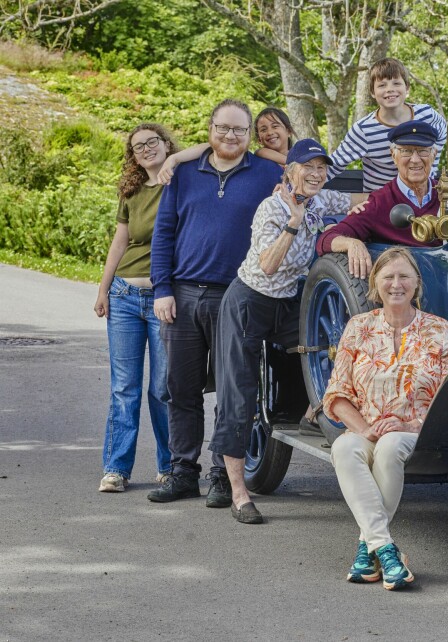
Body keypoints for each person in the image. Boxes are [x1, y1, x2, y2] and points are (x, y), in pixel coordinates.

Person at [148, 99, 283, 507]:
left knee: (233, 390)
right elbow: (164, 233)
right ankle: (183, 472)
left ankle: (224, 474)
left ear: (249, 135)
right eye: (223, 128)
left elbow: (306, 172)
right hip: (183, 294)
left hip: (238, 295)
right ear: (210, 128)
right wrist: (161, 289)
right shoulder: (184, 173)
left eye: (240, 130)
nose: (230, 136)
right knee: (180, 388)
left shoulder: (267, 173)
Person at [208, 139, 351, 524]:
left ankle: (311, 410)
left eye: (322, 168)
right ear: (289, 171)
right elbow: (269, 265)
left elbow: (360, 201)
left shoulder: (321, 201)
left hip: (289, 303)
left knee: (339, 349)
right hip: (249, 301)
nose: (317, 174)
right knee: (239, 393)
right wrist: (292, 220)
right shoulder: (270, 208)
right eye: (309, 167)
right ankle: (238, 492)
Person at [324, 247, 448, 589]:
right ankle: (384, 549)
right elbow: (337, 395)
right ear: (375, 284)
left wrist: (408, 424)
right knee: (343, 450)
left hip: (417, 430)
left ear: (417, 282)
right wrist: (366, 429)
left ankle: (367, 549)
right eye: (388, 277)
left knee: (388, 447)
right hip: (365, 426)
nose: (396, 284)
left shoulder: (441, 331)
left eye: (404, 276)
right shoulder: (358, 328)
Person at [94, 123, 179, 493]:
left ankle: (170, 466)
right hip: (125, 296)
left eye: (152, 142)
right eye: (138, 146)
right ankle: (116, 468)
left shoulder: (182, 181)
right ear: (133, 155)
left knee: (163, 388)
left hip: (164, 298)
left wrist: (175, 160)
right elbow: (120, 242)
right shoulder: (130, 191)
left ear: (165, 144)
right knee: (124, 387)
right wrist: (103, 289)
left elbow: (205, 148)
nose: (145, 149)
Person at [317, 120, 442, 279]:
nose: (415, 159)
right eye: (406, 151)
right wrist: (352, 243)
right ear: (393, 155)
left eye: (423, 151)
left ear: (434, 155)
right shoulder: (379, 203)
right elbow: (326, 240)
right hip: (402, 290)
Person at [327, 57, 447, 192]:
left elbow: (443, 134)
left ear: (407, 88)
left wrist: (432, 166)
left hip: (422, 195)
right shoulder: (364, 130)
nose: (390, 89)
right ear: (372, 92)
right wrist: (302, 188)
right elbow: (333, 165)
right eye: (382, 85)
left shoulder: (427, 114)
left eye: (396, 83)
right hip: (382, 202)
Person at [157, 107, 296, 183]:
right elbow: (210, 146)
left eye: (275, 126)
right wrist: (173, 159)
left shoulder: (299, 152)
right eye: (263, 130)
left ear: (288, 130)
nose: (270, 132)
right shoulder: (262, 154)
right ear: (258, 138)